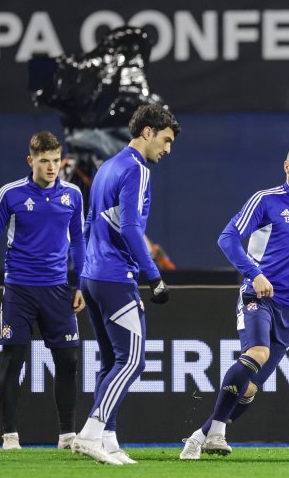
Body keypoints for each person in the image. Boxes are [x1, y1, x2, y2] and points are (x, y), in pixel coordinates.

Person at [180, 140, 289, 460]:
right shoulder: (265, 201)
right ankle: (217, 433)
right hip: (259, 295)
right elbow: (227, 238)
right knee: (258, 351)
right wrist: (254, 273)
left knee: (251, 389)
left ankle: (200, 436)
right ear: (287, 167)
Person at [71, 104, 180, 465]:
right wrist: (153, 277)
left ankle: (109, 439)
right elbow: (131, 229)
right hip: (116, 277)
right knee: (132, 361)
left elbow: (89, 223)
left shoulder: (106, 167)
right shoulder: (137, 170)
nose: (167, 149)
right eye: (165, 140)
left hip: (94, 277)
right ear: (147, 132)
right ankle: (90, 433)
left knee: (111, 360)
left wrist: (83, 272)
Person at [0, 131, 87, 450]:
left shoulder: (73, 195)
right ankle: (10, 436)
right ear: (31, 161)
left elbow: (79, 240)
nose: (52, 167)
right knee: (12, 362)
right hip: (19, 291)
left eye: (56, 160)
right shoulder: (9, 194)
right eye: (44, 161)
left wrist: (80, 282)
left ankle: (67, 435)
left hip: (58, 291)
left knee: (68, 362)